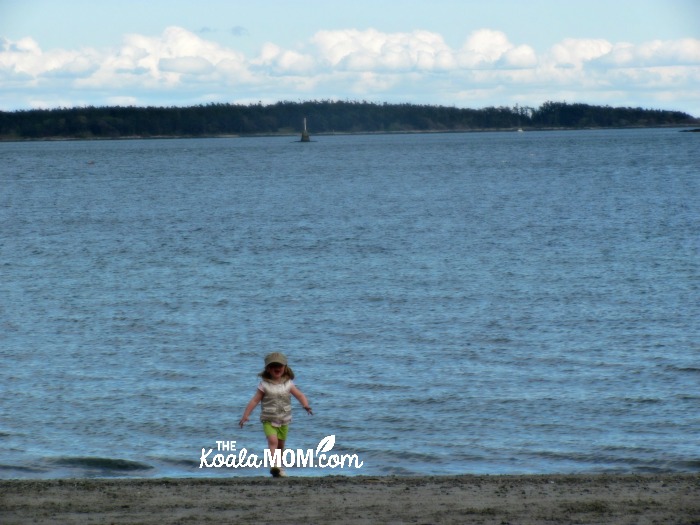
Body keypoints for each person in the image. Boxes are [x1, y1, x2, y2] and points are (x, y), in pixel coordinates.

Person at [239, 352, 313, 477]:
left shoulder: (288, 383)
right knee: (272, 441)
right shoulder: (264, 385)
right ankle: (274, 465)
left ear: (284, 367)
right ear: (268, 369)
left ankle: (280, 467)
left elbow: (299, 395)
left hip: (284, 419)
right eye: (273, 366)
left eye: (279, 365)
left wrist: (305, 405)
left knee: (280, 445)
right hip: (268, 419)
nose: (276, 368)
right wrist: (246, 415)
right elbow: (255, 400)